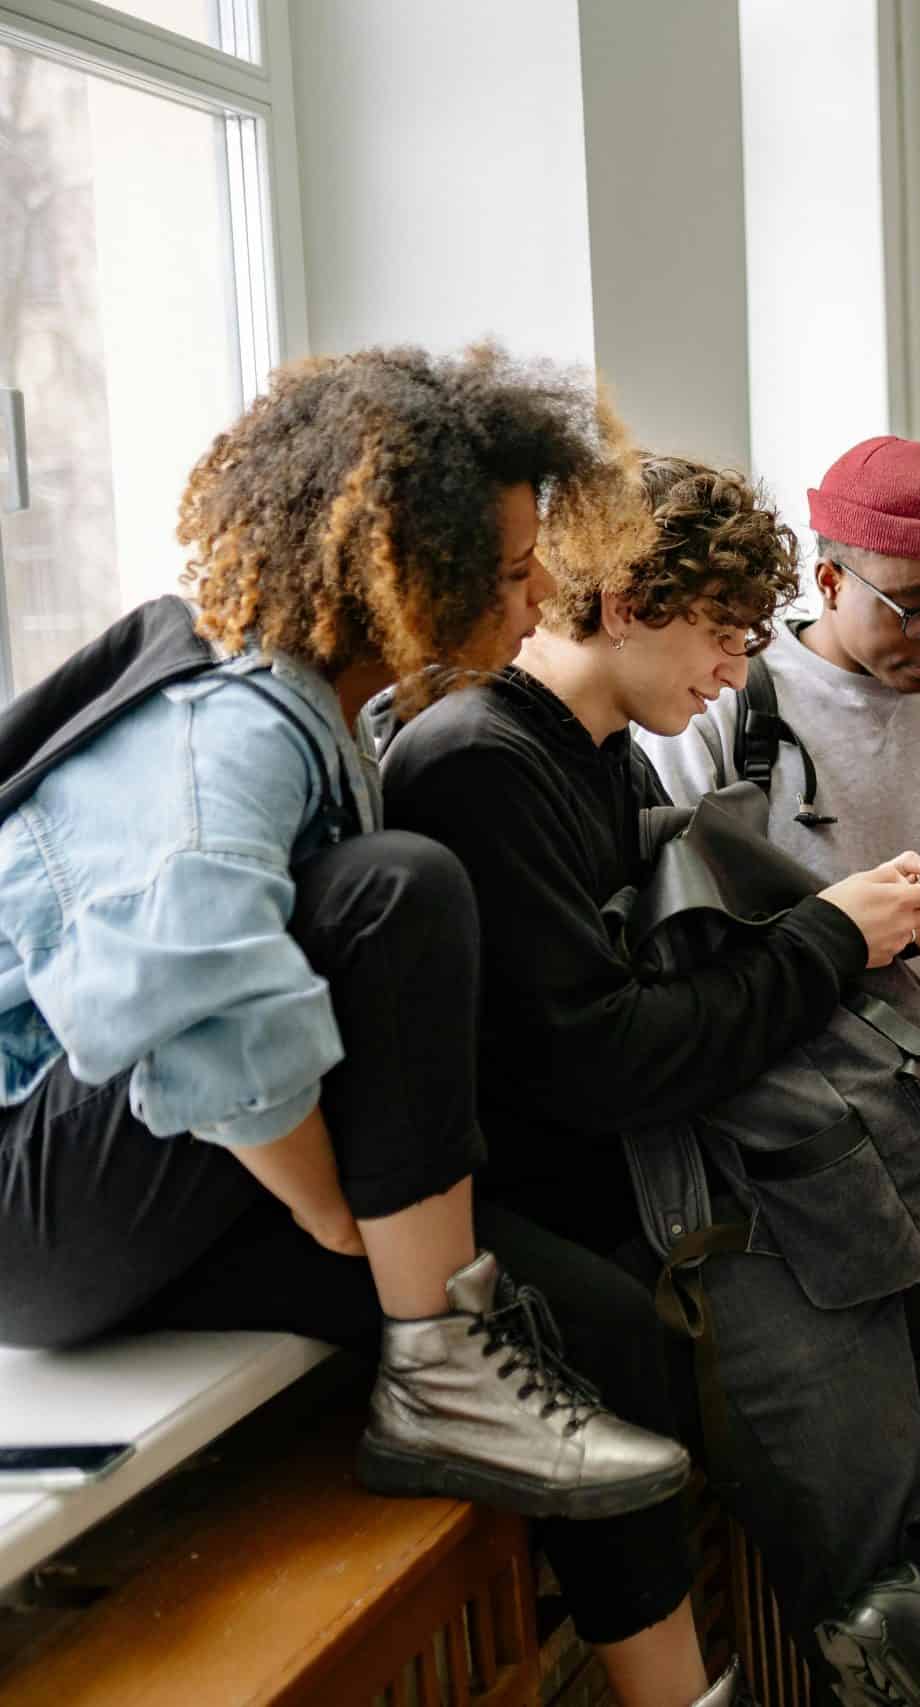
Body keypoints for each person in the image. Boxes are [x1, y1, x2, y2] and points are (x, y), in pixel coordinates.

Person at [0, 347, 754, 1707]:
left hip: (157, 1169)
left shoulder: (344, 714)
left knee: (590, 1324)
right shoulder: (227, 715)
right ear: (406, 570)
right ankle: (441, 1366)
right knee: (400, 886)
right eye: (510, 568)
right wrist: (344, 1218)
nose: (537, 590)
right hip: (36, 1202)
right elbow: (183, 991)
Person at [384, 454, 920, 1707]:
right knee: (875, 1577)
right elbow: (611, 1061)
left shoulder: (607, 755)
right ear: (627, 601)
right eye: (724, 632)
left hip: (792, 1177)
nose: (739, 669)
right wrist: (833, 935)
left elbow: (677, 990)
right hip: (710, 1233)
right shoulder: (478, 761)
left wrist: (852, 935)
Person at [638, 434, 920, 1700]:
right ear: (830, 579)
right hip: (825, 1174)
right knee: (906, 1482)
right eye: (911, 605)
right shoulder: (724, 712)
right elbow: (686, 944)